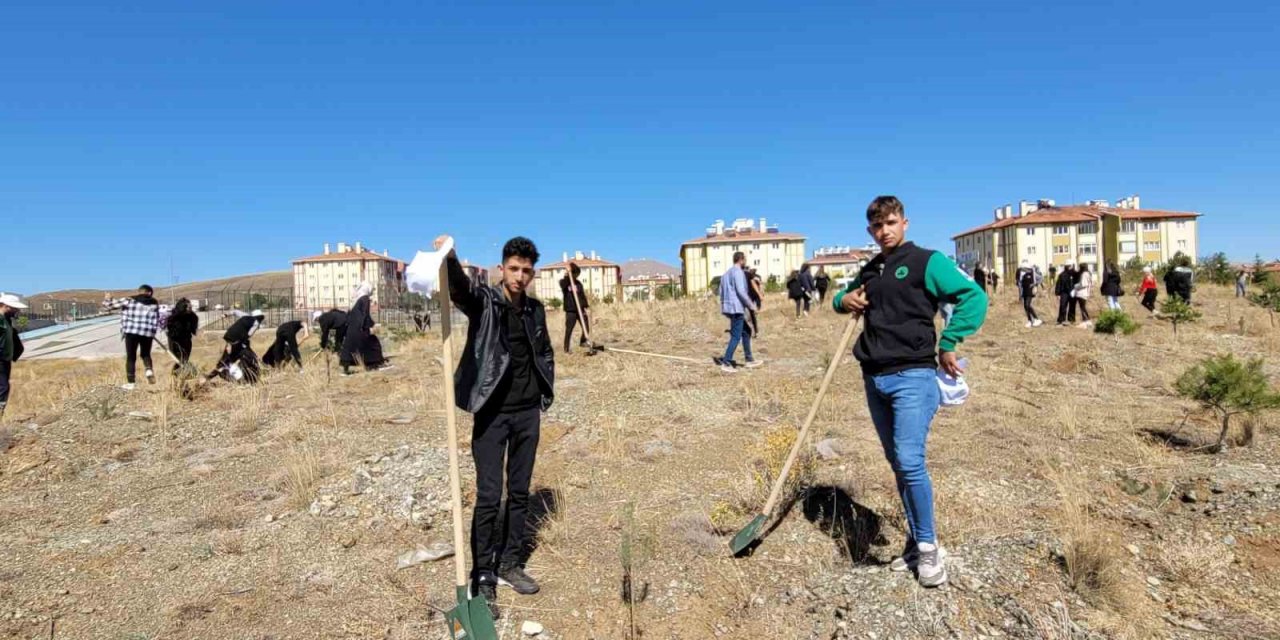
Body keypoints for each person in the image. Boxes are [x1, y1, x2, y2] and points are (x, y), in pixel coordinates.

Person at [833, 195, 987, 588]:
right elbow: (842, 298)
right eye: (877, 226)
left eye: (891, 223)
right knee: (898, 463)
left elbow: (973, 296)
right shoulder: (871, 269)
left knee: (909, 460)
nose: (884, 231)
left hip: (913, 376)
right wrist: (843, 299)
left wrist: (949, 341)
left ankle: (929, 548)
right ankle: (917, 542)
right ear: (870, 230)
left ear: (905, 223)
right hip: (874, 377)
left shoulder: (927, 262)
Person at [437, 234, 554, 619]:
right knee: (489, 495)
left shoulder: (535, 310)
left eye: (526, 270)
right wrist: (449, 257)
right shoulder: (485, 302)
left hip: (527, 413)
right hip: (492, 414)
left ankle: (509, 563)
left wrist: (545, 391)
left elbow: (544, 351)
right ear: (501, 269)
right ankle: (483, 575)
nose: (520, 276)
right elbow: (460, 290)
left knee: (519, 492)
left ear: (532, 274)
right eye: (514, 269)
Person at [103, 285, 162, 390]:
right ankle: (148, 370)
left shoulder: (129, 300)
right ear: (149, 293)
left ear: (139, 291)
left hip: (131, 331)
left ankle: (131, 383)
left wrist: (108, 299)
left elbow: (110, 306)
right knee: (145, 354)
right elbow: (157, 318)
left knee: (131, 357)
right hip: (147, 332)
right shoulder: (154, 303)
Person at [719, 252, 761, 372]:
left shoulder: (726, 274)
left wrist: (724, 306)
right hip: (736, 308)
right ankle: (726, 362)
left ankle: (749, 359)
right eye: (745, 259)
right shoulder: (738, 272)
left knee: (746, 331)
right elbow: (741, 291)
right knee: (736, 336)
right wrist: (751, 306)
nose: (745, 262)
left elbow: (721, 292)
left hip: (729, 307)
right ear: (741, 260)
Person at [340, 282, 391, 375]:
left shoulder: (355, 300)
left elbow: (350, 316)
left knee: (351, 347)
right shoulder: (365, 298)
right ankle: (376, 364)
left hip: (352, 329)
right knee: (374, 343)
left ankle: (345, 369)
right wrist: (371, 325)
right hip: (360, 328)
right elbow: (365, 315)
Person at [207, 309, 264, 383]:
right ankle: (245, 377)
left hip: (228, 337)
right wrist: (245, 344)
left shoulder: (245, 315)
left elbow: (235, 311)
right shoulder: (256, 323)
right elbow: (248, 335)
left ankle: (209, 376)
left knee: (224, 361)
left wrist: (226, 314)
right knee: (244, 356)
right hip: (236, 341)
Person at [0, 293, 28, 420]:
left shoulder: (6, 320)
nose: (17, 311)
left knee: (4, 387)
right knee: (3, 387)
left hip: (5, 359)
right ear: (5, 306)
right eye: (15, 308)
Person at [559, 263, 591, 353]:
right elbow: (563, 285)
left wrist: (586, 307)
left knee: (586, 326)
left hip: (580, 309)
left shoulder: (578, 283)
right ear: (572, 273)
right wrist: (568, 274)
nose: (577, 276)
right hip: (571, 310)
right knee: (569, 329)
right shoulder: (564, 282)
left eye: (577, 274)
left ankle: (583, 342)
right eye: (575, 274)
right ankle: (566, 348)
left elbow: (582, 296)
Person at [165, 298, 199, 373]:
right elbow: (169, 330)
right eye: (189, 307)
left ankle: (178, 374)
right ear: (183, 307)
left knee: (185, 359)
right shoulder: (174, 317)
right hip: (175, 342)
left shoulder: (192, 317)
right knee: (180, 359)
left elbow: (193, 329)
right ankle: (177, 373)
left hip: (186, 340)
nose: (191, 309)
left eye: (191, 307)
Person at [1017, 261, 1043, 328]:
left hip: (1030, 291)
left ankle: (1037, 319)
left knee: (1027, 305)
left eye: (1023, 268)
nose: (1022, 269)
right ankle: (1030, 320)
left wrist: (1035, 285)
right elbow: (1020, 284)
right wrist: (1020, 294)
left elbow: (1040, 278)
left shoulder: (1032, 273)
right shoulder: (1022, 275)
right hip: (1024, 292)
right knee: (1025, 306)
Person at [745, 267, 763, 337]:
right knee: (750, 315)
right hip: (749, 296)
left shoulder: (753, 276)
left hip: (751, 296)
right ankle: (753, 331)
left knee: (751, 315)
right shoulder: (744, 274)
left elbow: (758, 284)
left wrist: (760, 293)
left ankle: (755, 331)